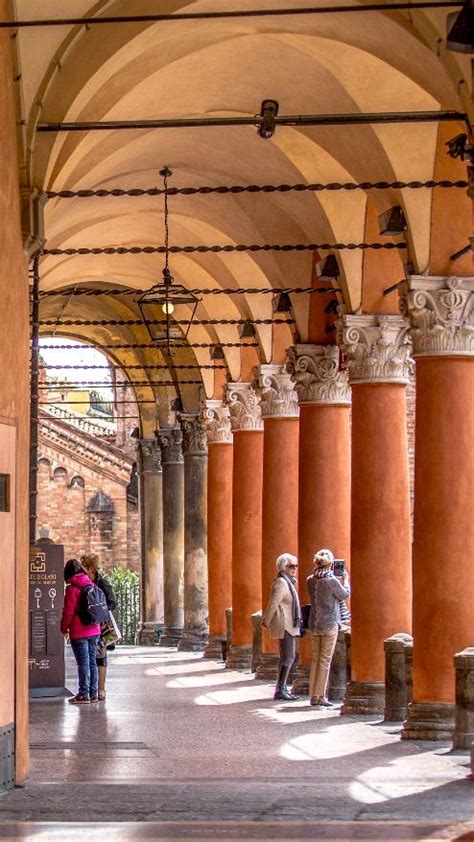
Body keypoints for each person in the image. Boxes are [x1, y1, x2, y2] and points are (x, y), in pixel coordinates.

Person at [307, 548, 350, 708]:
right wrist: (345, 579)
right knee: (325, 660)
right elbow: (344, 595)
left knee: (316, 659)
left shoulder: (310, 580)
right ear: (331, 564)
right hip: (330, 623)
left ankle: (313, 694)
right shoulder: (331, 581)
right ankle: (319, 696)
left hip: (314, 623)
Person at [262, 553, 302, 701]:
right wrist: (266, 621)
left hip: (290, 624)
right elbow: (273, 602)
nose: (295, 569)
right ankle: (280, 689)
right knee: (288, 656)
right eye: (291, 566)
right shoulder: (281, 583)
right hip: (285, 624)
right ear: (283, 567)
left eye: (296, 566)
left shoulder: (289, 582)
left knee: (287, 657)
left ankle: (282, 688)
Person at [60, 558, 101, 704]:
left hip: (79, 631)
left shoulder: (72, 589)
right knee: (92, 663)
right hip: (94, 630)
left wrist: (63, 628)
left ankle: (83, 694)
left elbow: (68, 612)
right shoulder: (91, 584)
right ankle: (93, 693)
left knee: (83, 663)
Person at [80, 554, 117, 702]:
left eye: (84, 567)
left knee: (101, 657)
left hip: (101, 625)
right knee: (89, 657)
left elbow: (113, 602)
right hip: (88, 624)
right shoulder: (84, 584)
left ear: (91, 568)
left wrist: (99, 609)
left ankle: (101, 689)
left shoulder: (103, 583)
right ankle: (91, 689)